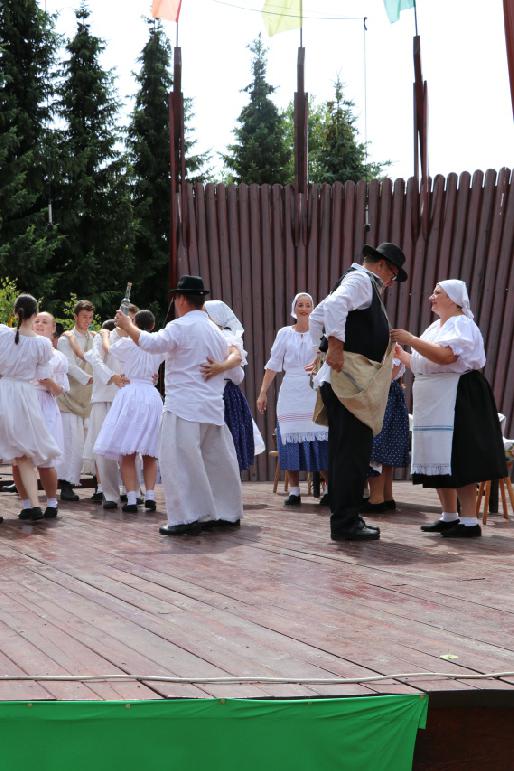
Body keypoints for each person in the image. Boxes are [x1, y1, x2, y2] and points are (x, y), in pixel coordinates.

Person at [114, 275, 243, 535]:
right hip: (211, 407)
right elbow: (236, 355)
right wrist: (221, 366)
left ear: (182, 299)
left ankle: (188, 517)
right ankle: (227, 512)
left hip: (184, 406)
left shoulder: (181, 326)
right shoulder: (215, 330)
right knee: (218, 461)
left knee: (181, 463)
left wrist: (128, 326)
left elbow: (150, 343)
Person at [391, 280, 507, 538]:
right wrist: (401, 353)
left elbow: (446, 357)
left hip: (459, 394)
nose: (431, 296)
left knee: (459, 452)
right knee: (438, 454)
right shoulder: (434, 327)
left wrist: (411, 339)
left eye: (437, 293)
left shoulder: (462, 323)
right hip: (435, 397)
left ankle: (468, 520)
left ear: (453, 299)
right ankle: (449, 515)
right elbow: (422, 363)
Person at [309, 242, 408, 541]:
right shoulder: (361, 280)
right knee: (353, 453)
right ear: (382, 266)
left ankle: (344, 519)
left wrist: (321, 349)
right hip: (349, 381)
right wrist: (334, 347)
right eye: (393, 275)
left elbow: (317, 316)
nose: (391, 283)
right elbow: (336, 305)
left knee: (344, 453)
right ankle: (346, 522)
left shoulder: (357, 281)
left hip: (340, 380)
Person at [257, 293, 328, 506]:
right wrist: (263, 392)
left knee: (321, 438)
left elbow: (328, 359)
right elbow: (273, 364)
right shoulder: (284, 333)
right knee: (289, 439)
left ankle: (329, 489)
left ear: (313, 308)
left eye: (308, 305)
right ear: (294, 308)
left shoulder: (320, 333)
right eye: (300, 305)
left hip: (314, 388)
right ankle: (295, 490)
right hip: (291, 391)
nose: (304, 308)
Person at [94, 310, 164, 513]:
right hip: (151, 395)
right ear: (152, 326)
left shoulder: (126, 344)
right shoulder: (157, 345)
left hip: (131, 392)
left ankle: (132, 498)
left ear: (133, 322)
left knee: (127, 452)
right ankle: (150, 495)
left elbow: (108, 349)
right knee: (150, 451)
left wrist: (107, 334)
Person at [0, 295, 61, 522]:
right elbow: (42, 375)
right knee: (24, 452)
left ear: (16, 312)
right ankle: (34, 505)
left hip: (4, 389)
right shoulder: (42, 344)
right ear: (35, 314)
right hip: (26, 395)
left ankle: (30, 505)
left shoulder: (2, 334)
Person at [203, 300, 256, 471]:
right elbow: (238, 376)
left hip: (208, 393)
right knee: (230, 439)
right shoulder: (229, 338)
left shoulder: (210, 336)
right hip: (225, 393)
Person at [83, 319, 129, 509]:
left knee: (128, 446)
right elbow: (95, 358)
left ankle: (131, 490)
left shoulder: (133, 338)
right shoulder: (104, 337)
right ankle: (109, 493)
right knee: (103, 448)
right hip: (103, 398)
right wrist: (112, 377)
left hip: (125, 397)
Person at [56, 300, 96, 502]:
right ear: (75, 317)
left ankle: (98, 483)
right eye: (83, 317)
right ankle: (66, 483)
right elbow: (68, 365)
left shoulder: (95, 337)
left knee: (88, 440)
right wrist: (88, 378)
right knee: (70, 441)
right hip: (70, 395)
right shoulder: (66, 339)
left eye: (90, 317)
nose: (87, 321)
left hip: (88, 396)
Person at [361, 356, 410, 513]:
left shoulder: (390, 350)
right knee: (383, 448)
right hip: (388, 397)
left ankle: (377, 499)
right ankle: (387, 498)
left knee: (375, 447)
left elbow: (387, 376)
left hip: (383, 397)